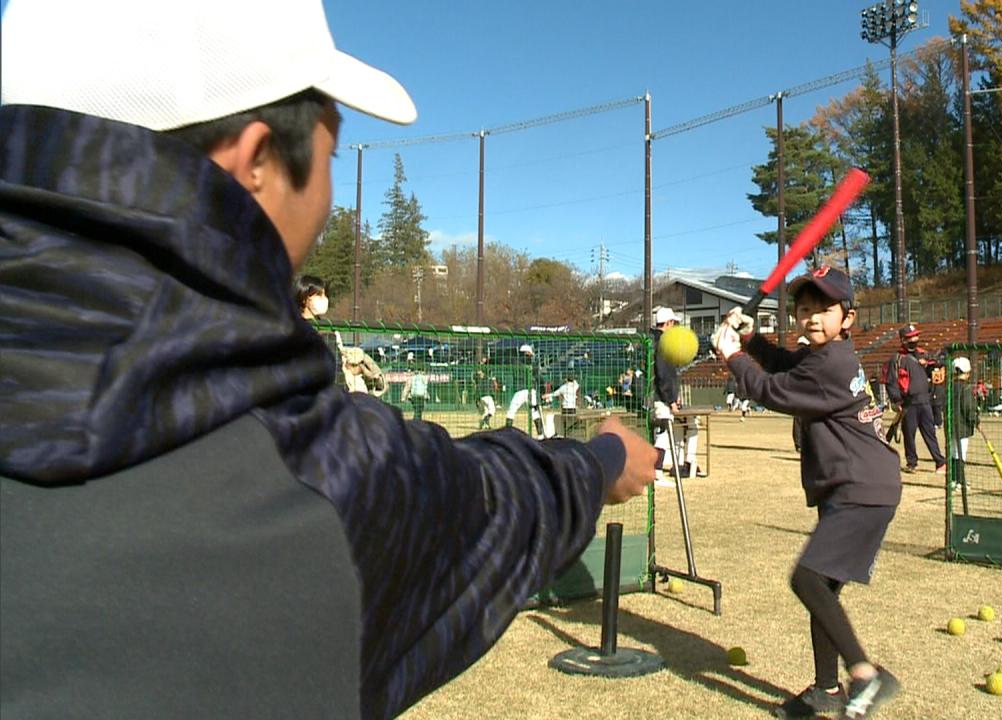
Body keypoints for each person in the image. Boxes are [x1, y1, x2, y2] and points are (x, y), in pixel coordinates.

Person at [0, 3, 659, 718]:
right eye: (333, 155)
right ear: (256, 161)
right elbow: (488, 502)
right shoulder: (306, 472)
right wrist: (597, 462)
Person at [711, 266, 902, 720]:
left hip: (860, 488)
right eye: (804, 308)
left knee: (808, 579)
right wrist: (754, 339)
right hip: (853, 485)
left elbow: (772, 390)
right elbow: (782, 365)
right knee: (824, 589)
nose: (812, 317)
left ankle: (865, 674)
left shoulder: (832, 364)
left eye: (825, 308)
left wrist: (733, 356)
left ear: (848, 318)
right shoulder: (826, 355)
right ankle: (826, 691)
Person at [883, 324, 946, 474]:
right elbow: (891, 382)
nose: (915, 339)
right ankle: (912, 462)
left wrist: (933, 365)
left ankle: (940, 462)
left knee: (929, 433)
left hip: (925, 401)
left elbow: (934, 370)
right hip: (908, 403)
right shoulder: (897, 359)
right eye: (911, 337)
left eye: (916, 336)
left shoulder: (923, 354)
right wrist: (896, 400)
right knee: (909, 434)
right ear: (903, 340)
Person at [652, 307, 701, 479]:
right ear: (668, 323)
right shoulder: (664, 343)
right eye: (673, 323)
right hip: (659, 397)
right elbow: (663, 373)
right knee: (665, 431)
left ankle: (676, 465)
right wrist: (671, 399)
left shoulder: (651, 340)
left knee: (666, 430)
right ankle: (656, 470)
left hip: (655, 394)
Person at [505, 344, 549, 438]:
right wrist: (543, 391)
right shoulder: (533, 365)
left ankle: (507, 434)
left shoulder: (515, 363)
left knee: (511, 411)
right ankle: (540, 435)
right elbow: (539, 379)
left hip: (519, 390)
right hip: (530, 390)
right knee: (535, 413)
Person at [949, 357, 980, 490]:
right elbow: (969, 409)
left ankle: (953, 480)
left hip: (951, 426)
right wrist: (976, 421)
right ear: (967, 373)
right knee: (961, 453)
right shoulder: (966, 389)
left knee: (953, 452)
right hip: (962, 426)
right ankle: (960, 481)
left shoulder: (949, 388)